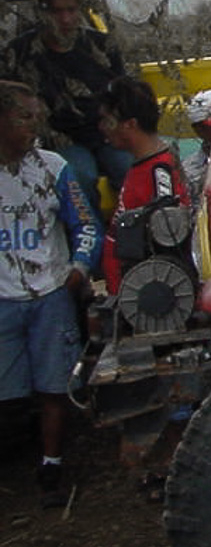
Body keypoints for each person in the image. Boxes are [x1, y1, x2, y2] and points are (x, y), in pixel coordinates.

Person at [0, 80, 102, 508]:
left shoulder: (54, 167)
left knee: (55, 388)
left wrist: (77, 270)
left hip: (50, 294)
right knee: (9, 395)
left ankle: (52, 467)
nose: (33, 126)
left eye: (36, 117)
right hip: (3, 299)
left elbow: (87, 225)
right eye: (23, 117)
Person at [0, 0, 132, 217]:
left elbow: (124, 93)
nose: (66, 19)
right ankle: (89, 235)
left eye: (71, 10)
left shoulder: (101, 47)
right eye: (57, 11)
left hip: (107, 135)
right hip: (58, 141)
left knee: (133, 170)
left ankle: (140, 234)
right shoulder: (20, 53)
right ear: (42, 12)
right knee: (78, 177)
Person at [97, 77, 189, 294]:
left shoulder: (160, 172)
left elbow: (169, 242)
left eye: (108, 121)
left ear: (130, 124)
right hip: (130, 293)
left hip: (148, 296)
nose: (102, 128)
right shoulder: (142, 165)